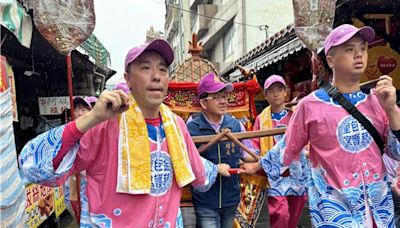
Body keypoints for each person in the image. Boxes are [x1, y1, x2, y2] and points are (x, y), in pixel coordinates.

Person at [19, 39, 229, 227]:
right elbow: (33, 165)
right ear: (128, 79)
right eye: (145, 68)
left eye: (162, 69)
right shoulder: (106, 124)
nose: (156, 76)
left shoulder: (175, 124)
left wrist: (217, 168)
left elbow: (196, 170)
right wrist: (91, 118)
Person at [239, 24, 400, 227]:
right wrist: (258, 165)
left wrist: (392, 110)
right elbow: (288, 147)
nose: (359, 55)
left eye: (362, 48)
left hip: (379, 212)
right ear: (330, 60)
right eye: (349, 49)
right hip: (335, 213)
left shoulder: (378, 101)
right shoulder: (310, 105)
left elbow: (396, 153)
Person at [186, 73, 257, 228]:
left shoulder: (236, 125)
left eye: (224, 96)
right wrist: (215, 169)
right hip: (205, 199)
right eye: (217, 97)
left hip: (231, 197)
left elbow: (248, 154)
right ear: (204, 103)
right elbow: (186, 160)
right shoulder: (191, 129)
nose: (223, 101)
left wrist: (260, 159)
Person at [252, 74, 308, 228]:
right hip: (275, 171)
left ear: (285, 92)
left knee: (297, 206)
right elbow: (255, 145)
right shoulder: (261, 119)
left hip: (296, 169)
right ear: (266, 95)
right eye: (271, 91)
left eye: (279, 89)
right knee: (280, 212)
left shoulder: (295, 113)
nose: (276, 93)